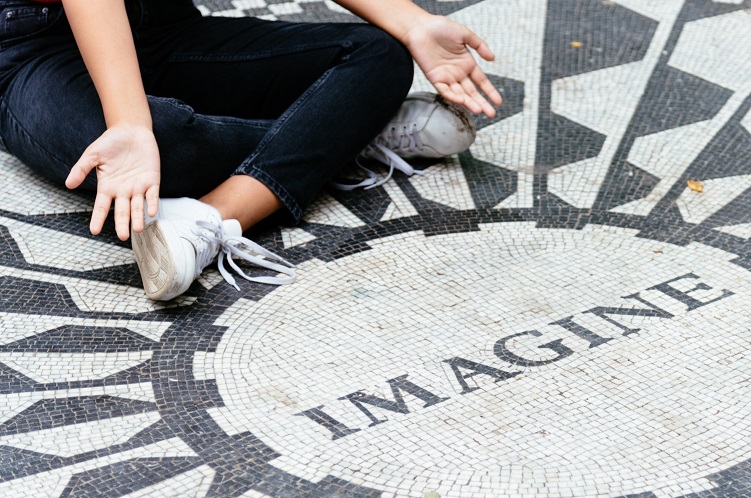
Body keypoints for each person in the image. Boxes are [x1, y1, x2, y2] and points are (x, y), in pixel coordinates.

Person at [0, 0, 501, 299]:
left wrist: (411, 21)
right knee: (161, 148)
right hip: (34, 50)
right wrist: (131, 124)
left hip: (160, 25)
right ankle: (352, 129)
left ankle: (211, 219)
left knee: (380, 53)